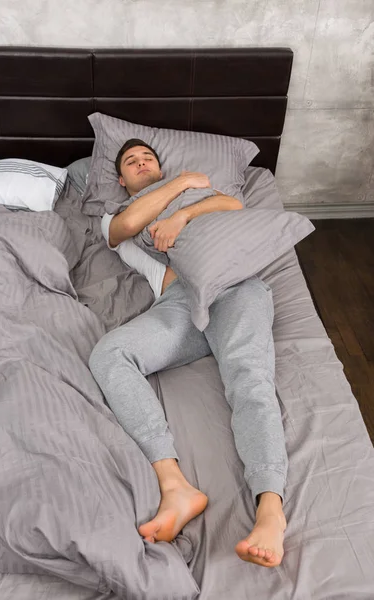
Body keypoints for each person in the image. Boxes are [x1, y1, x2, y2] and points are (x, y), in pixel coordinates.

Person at [89, 138, 288, 568]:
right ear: (121, 179)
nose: (142, 162)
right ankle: (175, 486)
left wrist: (183, 212)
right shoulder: (116, 215)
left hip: (233, 286)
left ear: (159, 166)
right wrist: (177, 182)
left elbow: (233, 208)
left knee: (249, 379)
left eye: (148, 158)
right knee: (110, 354)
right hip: (180, 304)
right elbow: (123, 229)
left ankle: (271, 512)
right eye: (132, 161)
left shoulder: (198, 194)